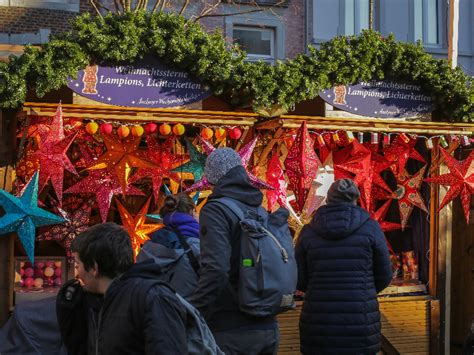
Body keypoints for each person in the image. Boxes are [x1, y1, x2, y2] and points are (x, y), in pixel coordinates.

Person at [189, 147, 280, 355]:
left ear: (212, 177)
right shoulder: (259, 208)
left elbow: (216, 269)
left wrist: (194, 311)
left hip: (231, 329)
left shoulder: (216, 210)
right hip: (268, 326)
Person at [56, 222, 188, 355]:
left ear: (94, 268)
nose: (77, 274)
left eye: (78, 265)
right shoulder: (96, 301)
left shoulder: (154, 298)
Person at [295, 178, 392, 355]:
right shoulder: (370, 228)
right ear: (355, 199)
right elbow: (385, 275)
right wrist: (363, 291)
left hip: (318, 322)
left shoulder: (309, 231)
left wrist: (318, 288)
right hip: (359, 321)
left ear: (329, 199)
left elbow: (299, 278)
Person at [137, 192, 200, 298]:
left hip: (155, 309)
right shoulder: (197, 246)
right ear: (192, 211)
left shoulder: (149, 244)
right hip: (187, 310)